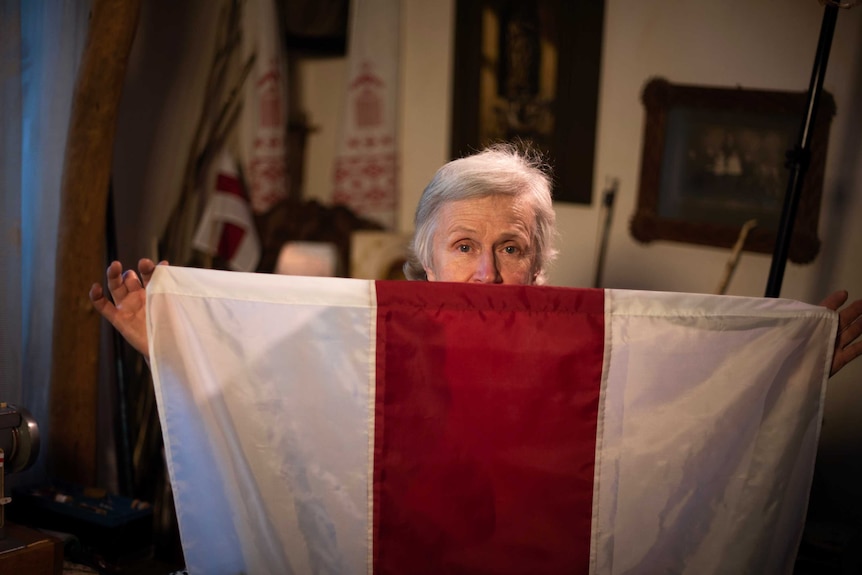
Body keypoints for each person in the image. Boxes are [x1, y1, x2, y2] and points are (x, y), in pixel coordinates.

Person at [90, 143, 862, 375]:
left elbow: (688, 406)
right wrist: (171, 346)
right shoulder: (362, 340)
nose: (487, 273)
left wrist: (788, 373)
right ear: (422, 262)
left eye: (511, 248)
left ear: (540, 266)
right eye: (464, 246)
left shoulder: (593, 351)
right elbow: (268, 397)